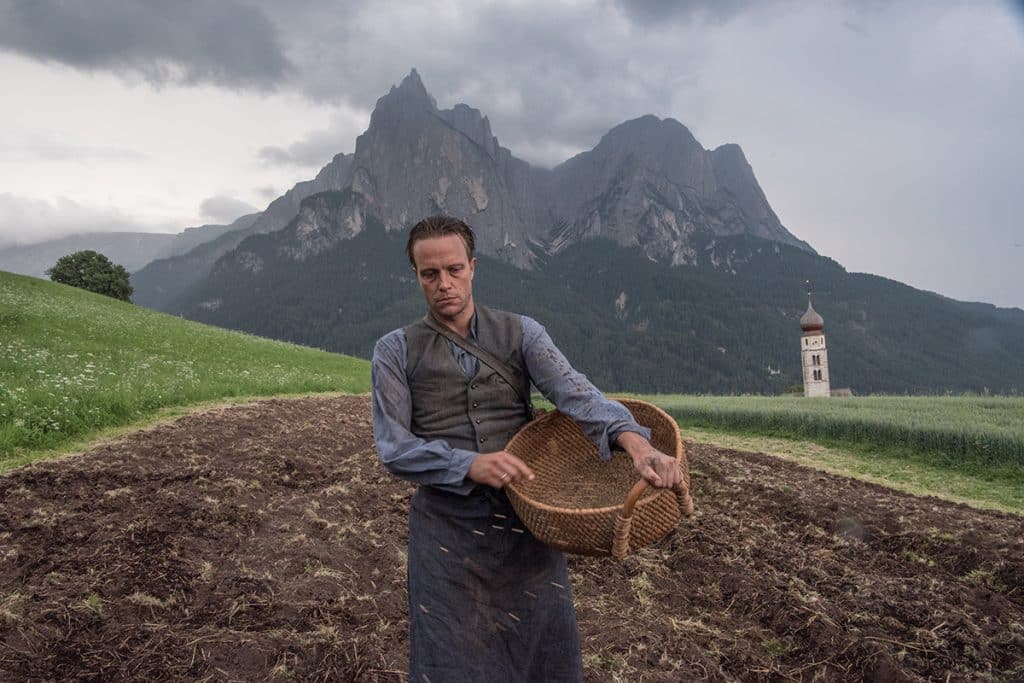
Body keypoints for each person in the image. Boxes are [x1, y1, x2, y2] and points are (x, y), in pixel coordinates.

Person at [371, 215, 683, 682]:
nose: (444, 284)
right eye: (430, 274)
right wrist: (469, 464)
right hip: (445, 536)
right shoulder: (394, 350)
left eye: (454, 269)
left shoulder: (522, 333)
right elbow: (393, 447)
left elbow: (577, 394)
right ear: (415, 276)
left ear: (473, 267)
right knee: (451, 664)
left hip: (526, 525)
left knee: (543, 658)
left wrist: (636, 444)